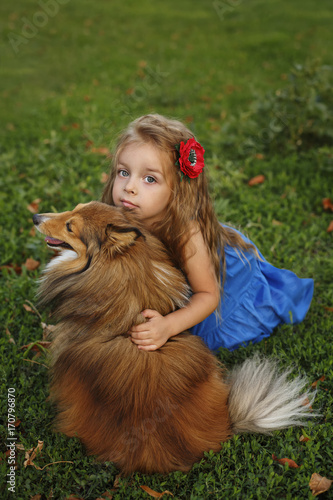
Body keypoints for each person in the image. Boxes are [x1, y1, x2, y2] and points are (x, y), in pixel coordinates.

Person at [101, 114, 314, 352]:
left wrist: (169, 325)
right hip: (182, 282)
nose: (129, 187)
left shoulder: (185, 234)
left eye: (149, 179)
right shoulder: (119, 214)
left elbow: (207, 295)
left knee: (202, 333)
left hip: (223, 285)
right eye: (123, 172)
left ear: (176, 191)